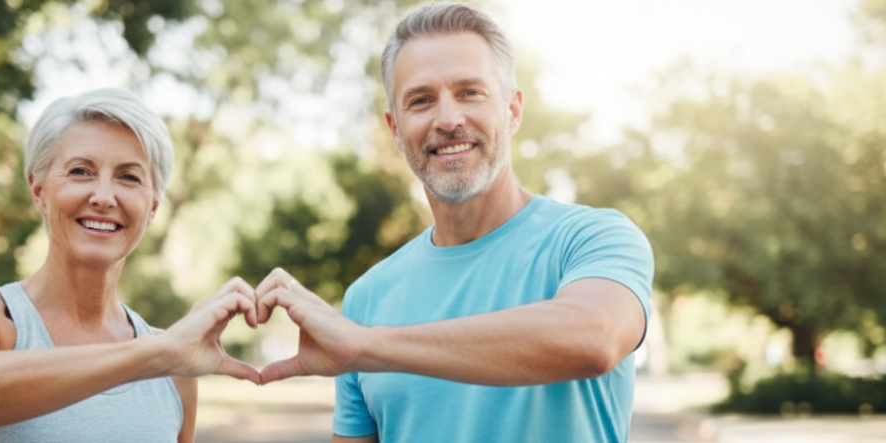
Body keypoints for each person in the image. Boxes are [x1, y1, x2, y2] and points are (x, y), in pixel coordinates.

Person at [252, 2, 654, 442]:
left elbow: (595, 338)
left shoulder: (593, 239)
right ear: (395, 128)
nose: (447, 120)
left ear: (513, 110)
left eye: (470, 93)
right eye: (421, 101)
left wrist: (366, 346)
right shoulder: (367, 298)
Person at [0, 88, 261, 443]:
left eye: (129, 177)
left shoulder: (174, 369)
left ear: (152, 208)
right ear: (39, 191)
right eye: (80, 171)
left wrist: (163, 353)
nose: (103, 197)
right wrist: (157, 353)